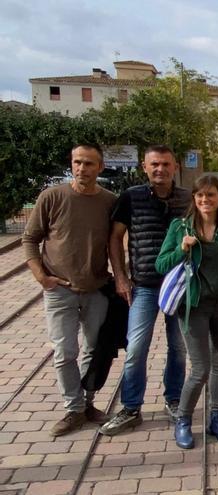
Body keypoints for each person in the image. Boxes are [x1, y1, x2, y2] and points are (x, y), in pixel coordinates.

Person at [22, 144, 116, 436]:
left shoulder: (110, 201)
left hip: (96, 288)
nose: (82, 168)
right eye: (77, 162)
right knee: (64, 351)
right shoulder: (52, 197)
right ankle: (72, 408)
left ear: (100, 167)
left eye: (89, 163)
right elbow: (30, 238)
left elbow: (115, 242)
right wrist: (42, 277)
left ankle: (87, 403)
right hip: (59, 288)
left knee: (93, 349)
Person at [99, 145, 189, 436]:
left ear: (174, 166)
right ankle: (130, 407)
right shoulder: (131, 198)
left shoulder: (187, 199)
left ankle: (174, 400)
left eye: (165, 164)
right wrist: (121, 277)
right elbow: (115, 238)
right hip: (145, 286)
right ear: (144, 166)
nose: (160, 169)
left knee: (178, 348)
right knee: (136, 348)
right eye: (154, 164)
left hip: (179, 287)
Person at [156, 176, 218, 449]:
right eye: (200, 196)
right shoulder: (180, 227)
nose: (205, 201)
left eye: (211, 195)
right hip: (193, 307)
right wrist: (182, 249)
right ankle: (183, 420)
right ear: (194, 199)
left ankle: (216, 419)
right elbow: (161, 264)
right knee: (201, 368)